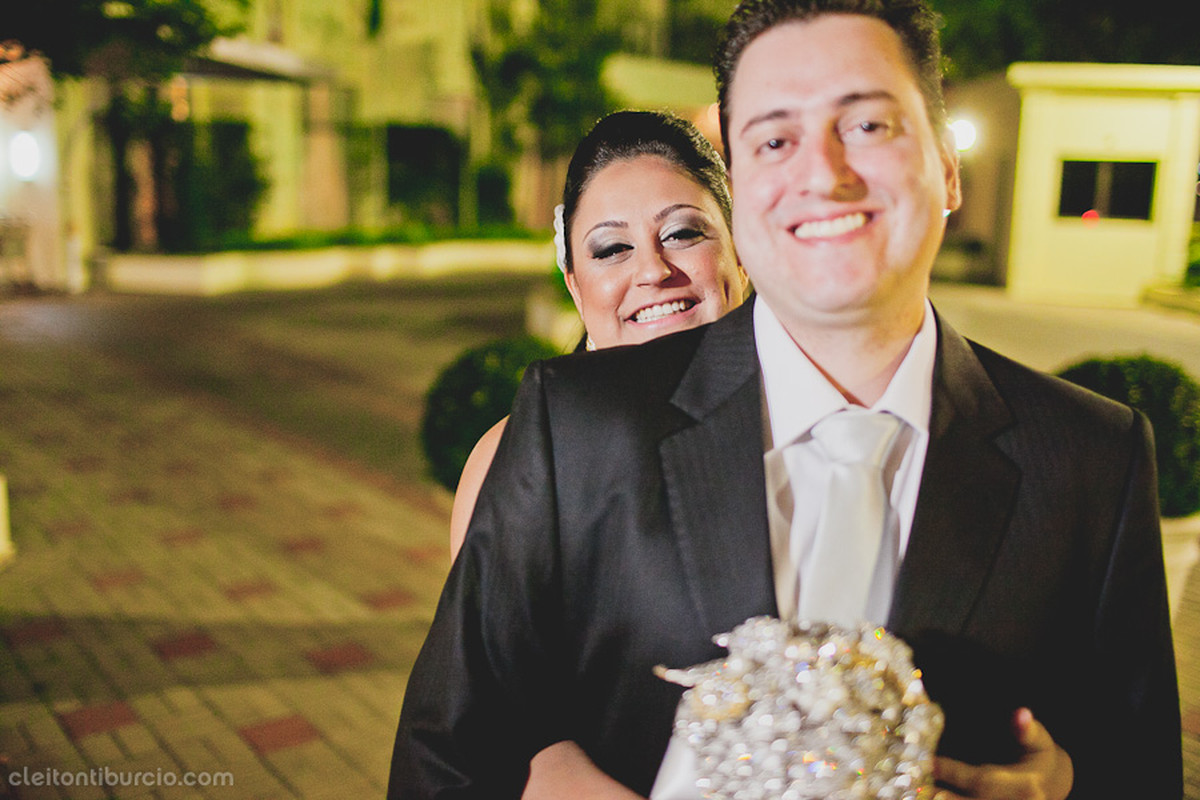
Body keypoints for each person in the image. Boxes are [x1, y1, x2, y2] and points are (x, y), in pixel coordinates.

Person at [389, 1, 1181, 798]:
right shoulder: (578, 427)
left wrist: (1069, 785)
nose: (823, 173)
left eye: (868, 126)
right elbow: (450, 754)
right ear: (741, 184)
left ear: (947, 165)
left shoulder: (1091, 458)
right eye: (775, 139)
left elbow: (1137, 770)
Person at [449, 110, 746, 561]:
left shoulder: (814, 426)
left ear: (740, 254)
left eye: (682, 233)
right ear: (575, 288)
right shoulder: (518, 465)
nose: (652, 270)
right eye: (613, 249)